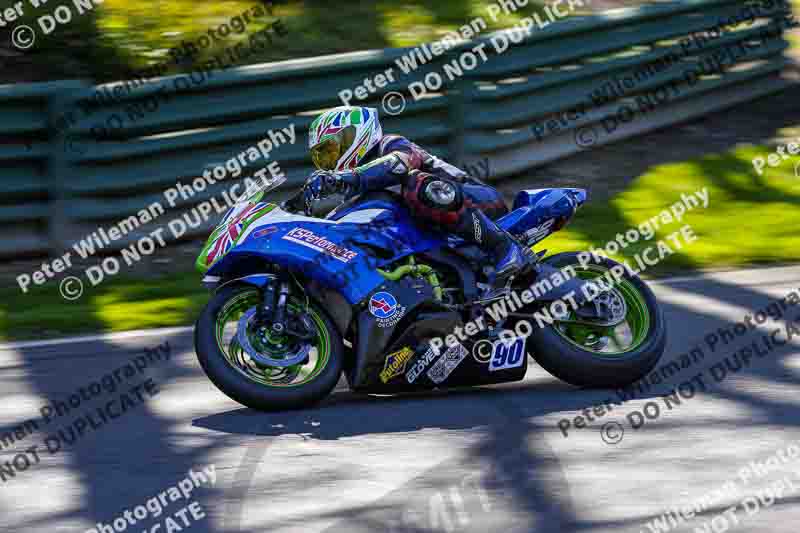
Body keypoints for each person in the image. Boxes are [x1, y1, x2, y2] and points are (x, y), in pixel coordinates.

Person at [304, 105, 534, 291]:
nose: (329, 161)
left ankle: (504, 247)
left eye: (332, 150)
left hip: (477, 201)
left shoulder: (389, 144)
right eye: (322, 156)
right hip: (435, 234)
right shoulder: (355, 191)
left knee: (417, 185)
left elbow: (401, 163)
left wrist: (347, 177)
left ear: (355, 135)